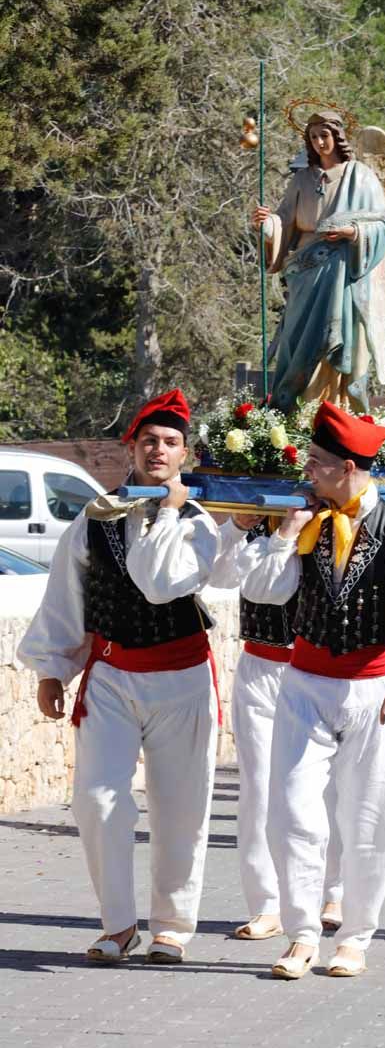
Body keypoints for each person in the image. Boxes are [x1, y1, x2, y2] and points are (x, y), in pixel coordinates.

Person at [235, 401, 385, 979]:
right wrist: (285, 534)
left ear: (349, 466)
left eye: (318, 461)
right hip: (304, 683)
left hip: (372, 689)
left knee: (368, 816)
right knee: (291, 809)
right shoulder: (307, 524)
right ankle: (303, 932)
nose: (308, 469)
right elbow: (264, 591)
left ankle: (355, 935)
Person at [18, 389, 220, 964]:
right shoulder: (96, 515)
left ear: (186, 454)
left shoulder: (199, 524)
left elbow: (159, 582)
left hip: (180, 676)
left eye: (171, 442)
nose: (159, 450)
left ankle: (173, 926)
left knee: (181, 805)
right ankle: (117, 925)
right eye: (149, 440)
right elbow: (66, 594)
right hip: (110, 675)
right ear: (130, 446)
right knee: (97, 799)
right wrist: (53, 670)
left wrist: (174, 510)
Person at [209, 514, 343, 939]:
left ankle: (334, 891)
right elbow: (221, 577)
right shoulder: (256, 524)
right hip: (262, 665)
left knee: (329, 789)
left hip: (323, 671)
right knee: (260, 788)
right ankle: (267, 902)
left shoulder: (337, 521)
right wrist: (241, 526)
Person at [252, 110, 385, 414]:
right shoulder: (302, 179)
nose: (319, 142)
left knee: (333, 337)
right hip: (303, 271)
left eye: (324, 135)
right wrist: (269, 224)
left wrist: (352, 232)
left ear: (337, 137)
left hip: (339, 269)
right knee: (294, 339)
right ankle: (293, 409)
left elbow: (383, 226)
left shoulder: (360, 176)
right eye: (313, 137)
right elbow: (285, 219)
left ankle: (329, 407)